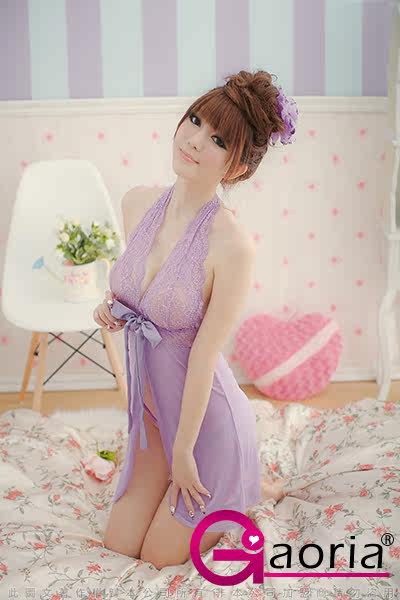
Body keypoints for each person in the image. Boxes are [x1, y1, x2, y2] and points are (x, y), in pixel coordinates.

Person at [93, 69, 298, 570]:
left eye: (218, 140)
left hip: (204, 429)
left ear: (237, 167)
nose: (194, 140)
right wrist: (110, 307)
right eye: (195, 120)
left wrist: (185, 453)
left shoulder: (232, 247)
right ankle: (226, 481)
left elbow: (204, 357)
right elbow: (140, 296)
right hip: (154, 419)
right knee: (119, 546)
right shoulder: (136, 203)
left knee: (159, 557)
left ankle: (243, 486)